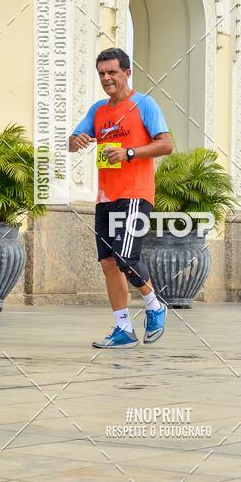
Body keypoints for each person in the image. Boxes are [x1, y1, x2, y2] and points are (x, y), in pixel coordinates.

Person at [69, 48, 173, 348]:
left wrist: (129, 152)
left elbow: (166, 145)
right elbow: (72, 144)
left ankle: (155, 306)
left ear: (127, 73)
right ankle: (124, 329)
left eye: (112, 72)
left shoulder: (144, 104)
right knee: (108, 264)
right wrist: (77, 140)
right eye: (102, 73)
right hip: (106, 197)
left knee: (125, 256)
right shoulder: (98, 110)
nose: (106, 78)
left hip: (136, 195)